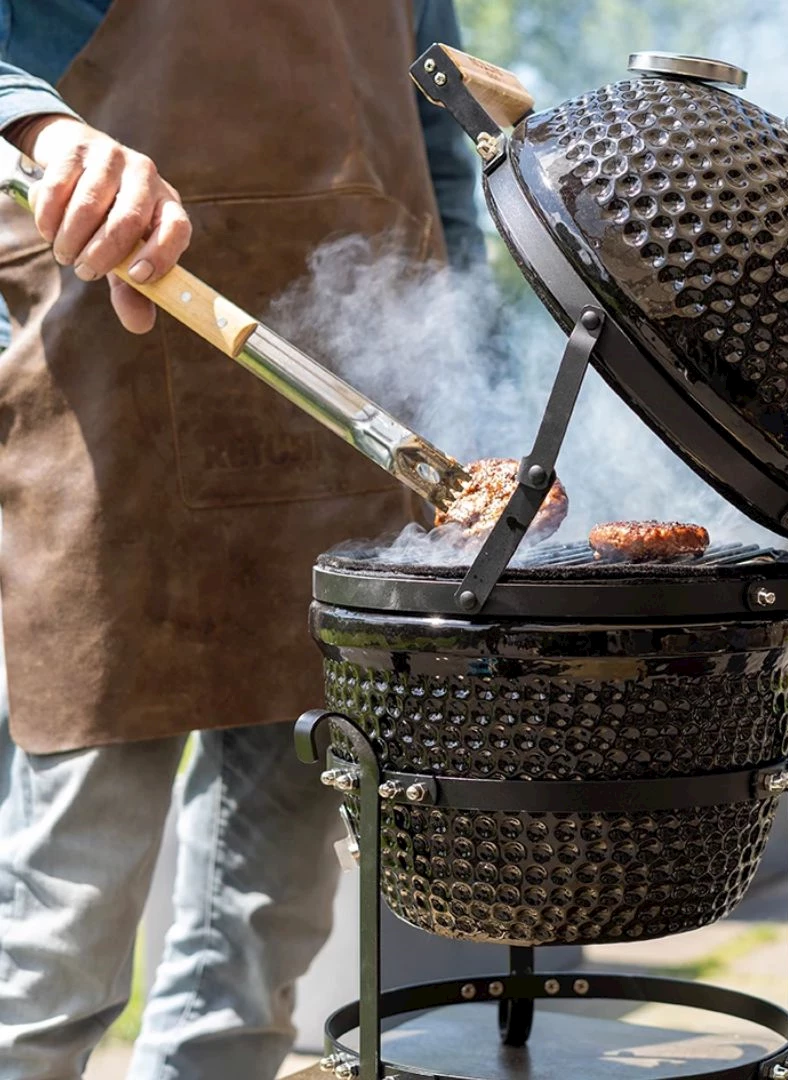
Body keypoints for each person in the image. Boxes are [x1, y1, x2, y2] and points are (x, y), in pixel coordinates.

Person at [0, 1, 482, 1077]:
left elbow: (439, 158)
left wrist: (465, 388)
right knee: (54, 951)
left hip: (353, 436)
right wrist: (41, 128)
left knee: (264, 946)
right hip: (105, 415)